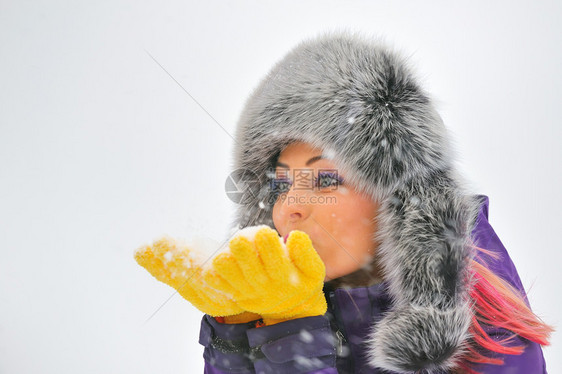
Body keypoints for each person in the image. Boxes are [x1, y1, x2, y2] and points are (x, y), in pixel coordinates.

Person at [136, 33, 552, 373]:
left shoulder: (488, 342)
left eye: (327, 178)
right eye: (280, 184)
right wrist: (240, 328)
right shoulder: (274, 304)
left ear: (401, 203)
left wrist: (291, 331)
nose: (289, 208)